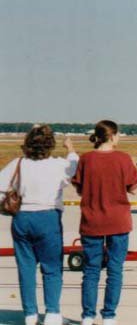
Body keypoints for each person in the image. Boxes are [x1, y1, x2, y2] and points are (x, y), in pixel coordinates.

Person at [0, 124, 78, 325]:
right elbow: (74, 166)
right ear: (50, 144)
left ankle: (30, 315)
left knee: (26, 268)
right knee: (52, 267)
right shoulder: (58, 165)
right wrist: (70, 148)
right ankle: (52, 314)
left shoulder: (18, 163)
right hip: (48, 217)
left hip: (22, 218)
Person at [72, 120, 137, 325]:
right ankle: (109, 316)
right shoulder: (123, 158)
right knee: (115, 270)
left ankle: (88, 316)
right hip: (118, 222)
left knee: (91, 271)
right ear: (112, 136)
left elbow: (79, 189)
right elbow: (133, 188)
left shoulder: (86, 159)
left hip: (91, 221)